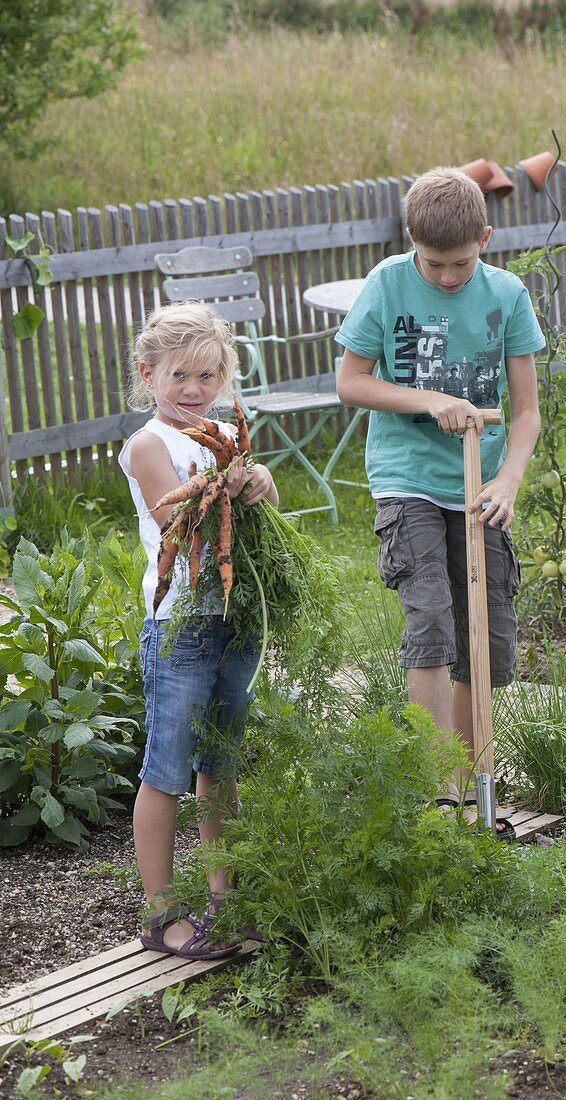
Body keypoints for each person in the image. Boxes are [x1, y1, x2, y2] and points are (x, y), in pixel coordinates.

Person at [335, 166, 544, 832]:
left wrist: (508, 478)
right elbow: (351, 382)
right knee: (429, 624)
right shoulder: (388, 284)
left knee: (486, 637)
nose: (449, 277)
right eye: (435, 265)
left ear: (485, 237)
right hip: (409, 479)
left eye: (461, 263)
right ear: (409, 243)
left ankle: (473, 784)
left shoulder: (507, 294)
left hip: (478, 485)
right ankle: (437, 799)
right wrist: (432, 400)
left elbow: (527, 410)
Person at [119, 300, 278, 956]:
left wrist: (262, 482)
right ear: (147, 373)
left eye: (207, 377)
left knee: (221, 763)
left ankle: (225, 898)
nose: (193, 390)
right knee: (167, 767)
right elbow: (177, 518)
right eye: (179, 376)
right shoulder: (147, 445)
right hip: (180, 624)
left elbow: (258, 523)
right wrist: (225, 486)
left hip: (232, 617)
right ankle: (159, 915)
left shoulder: (225, 436)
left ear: (225, 378)